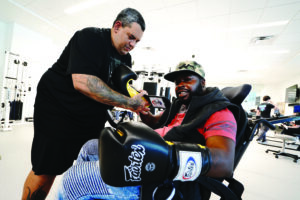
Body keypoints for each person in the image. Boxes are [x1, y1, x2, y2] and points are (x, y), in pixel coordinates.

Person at [56, 60, 238, 200]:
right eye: (177, 82)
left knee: (73, 180)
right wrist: (139, 106)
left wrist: (163, 155)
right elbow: (153, 121)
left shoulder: (218, 111)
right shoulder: (181, 106)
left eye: (187, 79)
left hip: (166, 178)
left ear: (203, 82)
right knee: (90, 147)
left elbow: (224, 164)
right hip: (147, 156)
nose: (180, 85)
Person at [22, 8, 149, 200]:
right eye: (131, 37)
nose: (133, 44)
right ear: (117, 27)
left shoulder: (125, 58)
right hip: (58, 110)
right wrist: (130, 103)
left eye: (137, 41)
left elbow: (119, 90)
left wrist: (142, 103)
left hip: (88, 116)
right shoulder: (90, 38)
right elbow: (82, 82)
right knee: (47, 168)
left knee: (87, 165)